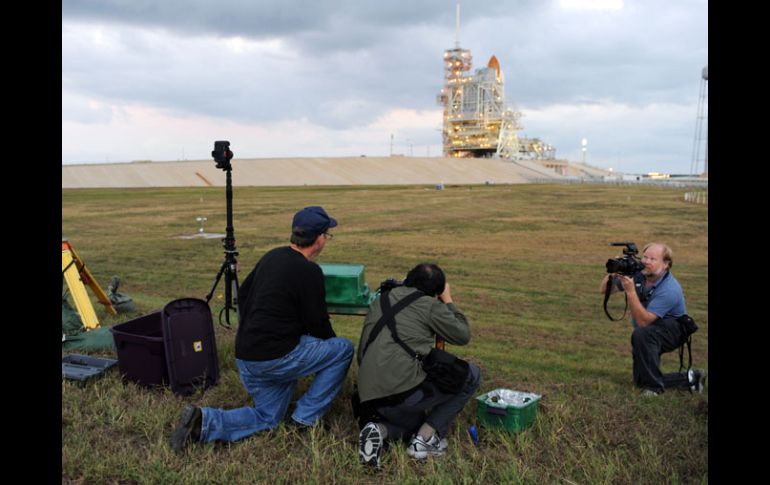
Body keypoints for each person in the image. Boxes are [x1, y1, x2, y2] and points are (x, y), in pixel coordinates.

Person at [170, 206, 354, 452]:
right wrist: (325, 349)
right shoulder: (310, 271)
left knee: (269, 418)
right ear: (319, 238)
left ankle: (203, 422)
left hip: (247, 357)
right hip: (276, 359)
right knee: (342, 348)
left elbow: (243, 297)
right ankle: (305, 419)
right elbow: (319, 325)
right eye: (327, 235)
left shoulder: (272, 256)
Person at [355, 263, 481, 468]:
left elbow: (362, 353)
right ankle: (424, 440)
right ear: (435, 293)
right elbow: (462, 334)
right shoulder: (429, 305)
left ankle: (379, 431)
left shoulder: (381, 299)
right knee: (472, 374)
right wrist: (447, 300)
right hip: (399, 394)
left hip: (367, 395)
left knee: (414, 424)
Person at [599, 242, 706, 396]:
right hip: (651, 329)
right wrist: (615, 272)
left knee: (642, 334)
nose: (646, 262)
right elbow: (603, 290)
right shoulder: (639, 275)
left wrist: (630, 292)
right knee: (640, 381)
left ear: (665, 264)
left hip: (674, 330)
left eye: (653, 259)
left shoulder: (670, 289)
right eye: (645, 257)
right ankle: (691, 378)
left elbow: (643, 322)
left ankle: (654, 389)